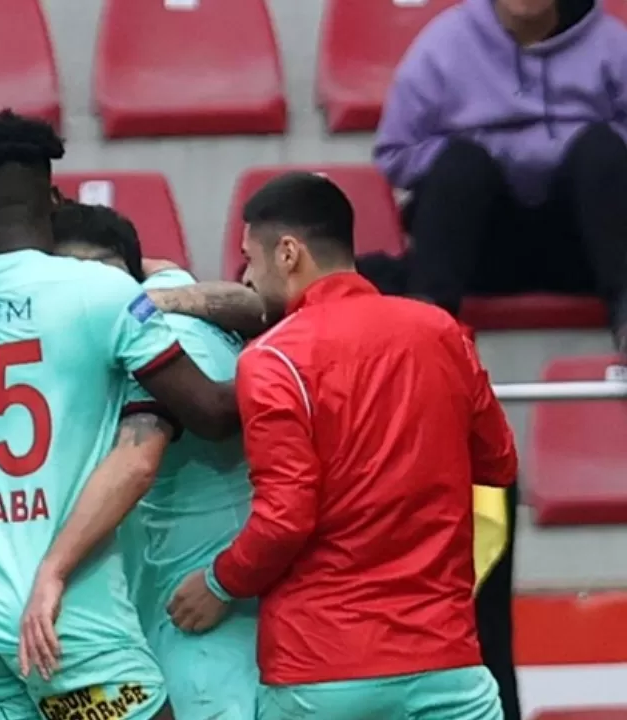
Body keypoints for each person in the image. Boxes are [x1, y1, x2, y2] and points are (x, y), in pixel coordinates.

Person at [0, 110, 240, 720]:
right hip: (70, 619)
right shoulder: (100, 294)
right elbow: (210, 412)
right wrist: (298, 358)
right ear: (51, 201)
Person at [166, 172, 519, 720]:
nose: (248, 278)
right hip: (446, 666)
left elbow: (285, 517)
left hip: (320, 672)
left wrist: (218, 583)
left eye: (250, 259)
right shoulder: (442, 332)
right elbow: (499, 464)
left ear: (288, 253)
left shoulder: (272, 358)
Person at [48, 201, 260, 719]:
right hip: (176, 615)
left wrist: (52, 570)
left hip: (203, 626)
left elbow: (138, 461)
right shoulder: (154, 303)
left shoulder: (167, 336)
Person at [375, 0, 627, 355]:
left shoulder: (612, 43)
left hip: (588, 244)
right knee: (462, 163)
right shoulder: (444, 43)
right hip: (478, 244)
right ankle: (425, 337)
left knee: (602, 150)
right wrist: (490, 154)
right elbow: (395, 152)